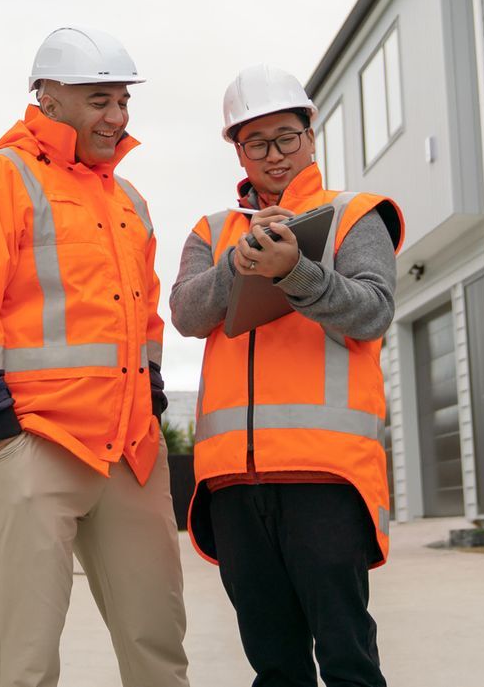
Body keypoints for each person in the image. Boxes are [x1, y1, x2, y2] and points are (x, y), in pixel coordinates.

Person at [0, 26, 189, 687]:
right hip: (36, 441)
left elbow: (147, 318)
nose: (117, 117)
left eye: (123, 101)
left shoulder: (130, 202)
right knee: (27, 660)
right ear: (49, 96)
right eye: (100, 100)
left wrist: (151, 405)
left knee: (158, 645)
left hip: (129, 451)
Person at [169, 63, 403, 687]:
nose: (273, 156)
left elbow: (373, 313)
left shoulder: (356, 215)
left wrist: (295, 271)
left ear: (310, 133)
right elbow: (188, 314)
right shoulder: (213, 231)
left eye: (285, 138)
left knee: (347, 655)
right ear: (236, 150)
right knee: (273, 662)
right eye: (256, 144)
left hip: (325, 473)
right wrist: (238, 267)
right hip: (234, 481)